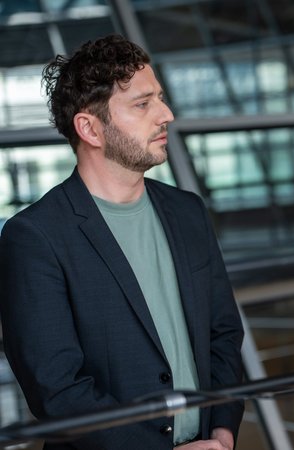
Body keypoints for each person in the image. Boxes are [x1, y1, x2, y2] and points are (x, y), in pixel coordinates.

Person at [0, 35, 244, 450]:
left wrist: (221, 430)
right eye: (142, 104)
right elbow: (56, 390)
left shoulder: (188, 213)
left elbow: (223, 335)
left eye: (160, 99)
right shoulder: (34, 236)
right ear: (90, 128)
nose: (166, 114)